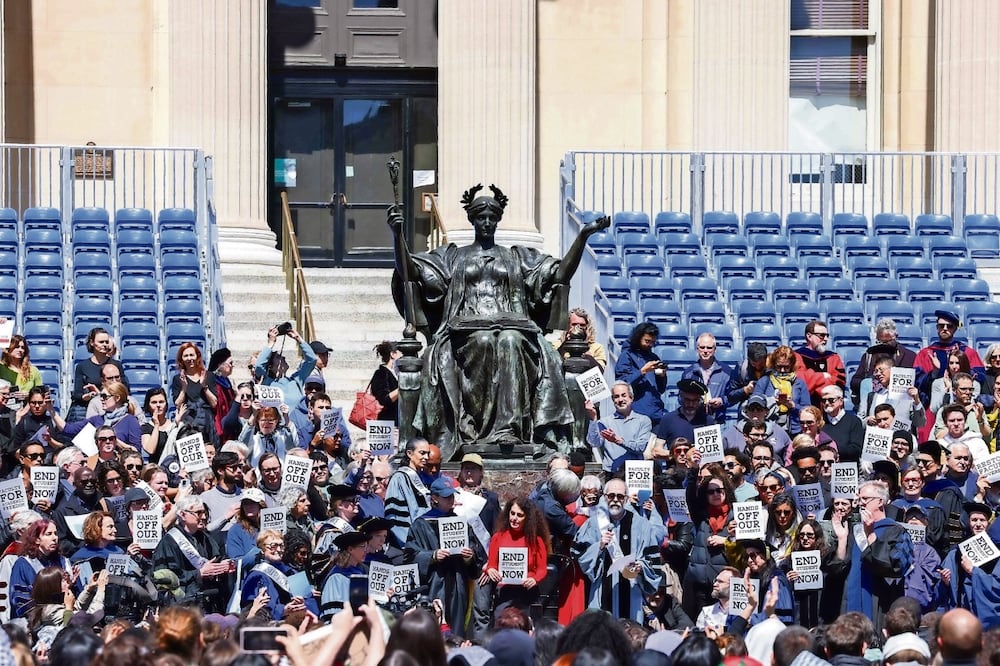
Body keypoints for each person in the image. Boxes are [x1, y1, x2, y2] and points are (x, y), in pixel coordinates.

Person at [388, 188, 608, 459]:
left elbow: (560, 273)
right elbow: (409, 271)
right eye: (481, 217)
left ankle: (508, 431)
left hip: (514, 328)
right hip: (464, 330)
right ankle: (474, 432)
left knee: (510, 341)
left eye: (492, 217)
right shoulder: (452, 256)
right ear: (472, 219)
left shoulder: (516, 257)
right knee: (483, 340)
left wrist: (583, 236)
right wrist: (396, 235)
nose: (487, 222)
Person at [405, 476, 487, 637]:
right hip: (433, 584)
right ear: (434, 498)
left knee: (456, 630)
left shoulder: (460, 522)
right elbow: (409, 556)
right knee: (432, 628)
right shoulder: (421, 524)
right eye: (446, 496)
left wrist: (469, 557)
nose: (451, 499)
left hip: (458, 585)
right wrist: (432, 556)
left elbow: (475, 553)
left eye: (452, 495)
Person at [572, 477, 663, 622]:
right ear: (604, 497)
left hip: (631, 591)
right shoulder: (594, 523)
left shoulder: (641, 525)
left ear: (626, 499)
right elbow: (579, 553)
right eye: (611, 496)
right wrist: (599, 546)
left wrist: (641, 566)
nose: (615, 500)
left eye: (620, 496)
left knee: (630, 636)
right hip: (602, 589)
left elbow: (652, 558)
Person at [845, 480, 913, 635]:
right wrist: (842, 539)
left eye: (865, 499)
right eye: (858, 499)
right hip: (851, 605)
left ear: (880, 502)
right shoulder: (853, 531)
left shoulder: (897, 532)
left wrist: (871, 535)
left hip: (880, 606)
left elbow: (895, 567)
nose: (860, 504)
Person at [151, 495, 234, 611]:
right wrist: (198, 574)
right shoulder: (169, 542)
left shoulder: (205, 537)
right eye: (199, 513)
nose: (204, 517)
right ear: (183, 515)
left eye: (204, 513)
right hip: (183, 606)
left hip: (208, 602)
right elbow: (163, 577)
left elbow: (215, 559)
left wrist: (223, 565)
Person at [681, 450, 735, 620]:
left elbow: (748, 548)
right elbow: (690, 495)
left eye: (719, 490)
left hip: (722, 589)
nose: (715, 495)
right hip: (695, 585)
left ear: (726, 490)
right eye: (710, 492)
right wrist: (693, 469)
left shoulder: (737, 515)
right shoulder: (701, 515)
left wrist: (727, 540)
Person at [478, 496, 550, 624]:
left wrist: (535, 579)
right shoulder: (498, 537)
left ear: (527, 518)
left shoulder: (536, 540)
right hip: (504, 591)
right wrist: (491, 570)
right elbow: (492, 564)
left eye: (520, 515)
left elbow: (542, 569)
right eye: (512, 513)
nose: (514, 518)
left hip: (527, 591)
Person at [242, 528, 317, 620]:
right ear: (262, 549)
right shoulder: (256, 576)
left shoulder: (292, 571)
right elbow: (255, 611)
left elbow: (312, 604)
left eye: (281, 545)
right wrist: (283, 610)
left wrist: (302, 604)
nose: (278, 550)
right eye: (273, 546)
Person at [915, 309, 986, 407]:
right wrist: (934, 373)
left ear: (955, 329)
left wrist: (961, 368)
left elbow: (980, 377)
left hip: (962, 407)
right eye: (941, 326)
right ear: (937, 328)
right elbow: (917, 382)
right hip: (932, 406)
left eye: (949, 326)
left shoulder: (967, 352)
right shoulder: (926, 353)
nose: (945, 328)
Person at [10, 519, 78, 618]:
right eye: (48, 534)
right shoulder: (23, 564)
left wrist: (70, 586)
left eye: (55, 533)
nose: (54, 538)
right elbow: (20, 603)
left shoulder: (64, 562)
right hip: (35, 623)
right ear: (37, 539)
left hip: (64, 617)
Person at [584, 381, 651, 474]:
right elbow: (594, 443)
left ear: (631, 398)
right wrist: (593, 418)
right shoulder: (605, 422)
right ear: (613, 400)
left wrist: (619, 441)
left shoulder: (643, 421)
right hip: (611, 473)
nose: (620, 399)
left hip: (635, 473)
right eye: (616, 396)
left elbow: (640, 448)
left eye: (624, 395)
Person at [850, 318, 918, 408]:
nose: (883, 345)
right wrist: (872, 383)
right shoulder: (869, 355)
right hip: (872, 403)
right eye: (880, 341)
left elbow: (916, 382)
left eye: (887, 341)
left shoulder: (909, 356)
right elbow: (854, 381)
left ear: (895, 336)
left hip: (899, 405)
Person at [60, 381, 142, 452]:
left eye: (104, 396)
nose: (101, 399)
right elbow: (68, 429)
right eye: (101, 396)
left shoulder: (130, 420)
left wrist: (112, 440)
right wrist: (51, 410)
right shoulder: (97, 419)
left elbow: (136, 451)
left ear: (117, 398)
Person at [253, 324, 319, 411]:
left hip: (295, 423)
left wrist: (298, 338)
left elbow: (312, 360)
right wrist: (271, 342)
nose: (283, 357)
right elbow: (258, 366)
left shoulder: (296, 380)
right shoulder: (267, 381)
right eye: (278, 357)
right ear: (270, 365)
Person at [615, 322, 669, 426]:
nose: (650, 345)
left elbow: (660, 389)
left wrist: (662, 376)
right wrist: (642, 371)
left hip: (655, 413)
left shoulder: (654, 357)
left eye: (652, 342)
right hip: (636, 414)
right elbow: (622, 384)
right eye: (647, 341)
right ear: (638, 338)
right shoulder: (626, 356)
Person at [69, 327, 127, 422]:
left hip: (113, 412)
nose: (105, 345)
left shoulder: (116, 365)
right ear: (92, 343)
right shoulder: (82, 366)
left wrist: (100, 394)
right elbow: (77, 394)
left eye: (106, 342)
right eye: (101, 342)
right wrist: (85, 397)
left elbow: (125, 389)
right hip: (88, 410)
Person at [384, 437, 432, 547]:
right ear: (409, 453)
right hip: (408, 545)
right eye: (422, 453)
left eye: (427, 454)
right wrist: (409, 545)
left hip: (423, 542)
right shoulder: (399, 478)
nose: (426, 457)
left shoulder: (422, 478)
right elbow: (395, 517)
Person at [652, 379, 714, 463]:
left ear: (700, 400)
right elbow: (656, 451)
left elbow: (713, 455)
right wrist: (679, 454)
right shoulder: (668, 419)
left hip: (699, 471)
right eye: (687, 400)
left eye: (695, 400)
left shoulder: (707, 420)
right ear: (680, 397)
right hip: (675, 472)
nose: (691, 404)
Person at [753, 345, 810, 435]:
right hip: (767, 429)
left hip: (794, 430)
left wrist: (792, 405)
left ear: (791, 365)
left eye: (786, 367)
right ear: (773, 365)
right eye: (779, 367)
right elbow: (754, 404)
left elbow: (808, 410)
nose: (782, 370)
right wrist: (771, 402)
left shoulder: (799, 383)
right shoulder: (765, 381)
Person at [318, 530, 371, 619]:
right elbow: (332, 613)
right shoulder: (336, 577)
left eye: (366, 547)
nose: (366, 551)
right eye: (363, 547)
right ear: (350, 549)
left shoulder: (361, 572)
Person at [794, 320, 847, 407]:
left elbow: (839, 383)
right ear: (809, 336)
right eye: (821, 335)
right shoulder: (797, 356)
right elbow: (801, 383)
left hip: (830, 409)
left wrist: (814, 380)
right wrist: (823, 377)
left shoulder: (833, 357)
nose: (825, 339)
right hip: (805, 408)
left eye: (827, 335)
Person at [683, 333, 733, 423]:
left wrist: (721, 401)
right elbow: (680, 397)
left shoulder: (726, 372)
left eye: (709, 348)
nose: (705, 351)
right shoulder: (688, 373)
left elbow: (733, 396)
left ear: (715, 349)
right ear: (697, 349)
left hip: (718, 421)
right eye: (702, 347)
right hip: (694, 421)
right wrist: (694, 401)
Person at [198, 451, 245, 531]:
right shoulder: (206, 498)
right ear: (220, 471)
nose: (239, 471)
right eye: (233, 468)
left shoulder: (245, 495)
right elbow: (205, 529)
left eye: (239, 466)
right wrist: (226, 516)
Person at [819, 385, 865, 462]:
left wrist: (831, 450)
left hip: (847, 467)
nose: (826, 403)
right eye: (824, 401)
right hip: (824, 467)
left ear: (841, 401)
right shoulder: (820, 422)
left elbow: (856, 449)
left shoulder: (854, 421)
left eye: (831, 400)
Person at [225, 487, 267, 568]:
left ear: (261, 505)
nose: (248, 506)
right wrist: (259, 553)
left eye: (252, 503)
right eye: (245, 503)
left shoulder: (272, 526)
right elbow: (235, 562)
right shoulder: (235, 530)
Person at [724, 342, 770, 415]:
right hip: (747, 413)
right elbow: (730, 397)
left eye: (761, 364)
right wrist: (745, 390)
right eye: (754, 364)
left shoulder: (774, 368)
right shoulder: (741, 369)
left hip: (768, 412)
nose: (757, 367)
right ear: (749, 359)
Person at [695, 565, 739, 631]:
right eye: (715, 580)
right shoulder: (706, 612)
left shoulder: (742, 613)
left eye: (720, 582)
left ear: (734, 585)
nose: (715, 584)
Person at [370, 341, 401, 423]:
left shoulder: (397, 374)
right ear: (393, 354)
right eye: (402, 353)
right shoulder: (381, 373)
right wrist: (402, 387)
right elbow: (384, 400)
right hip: (388, 424)